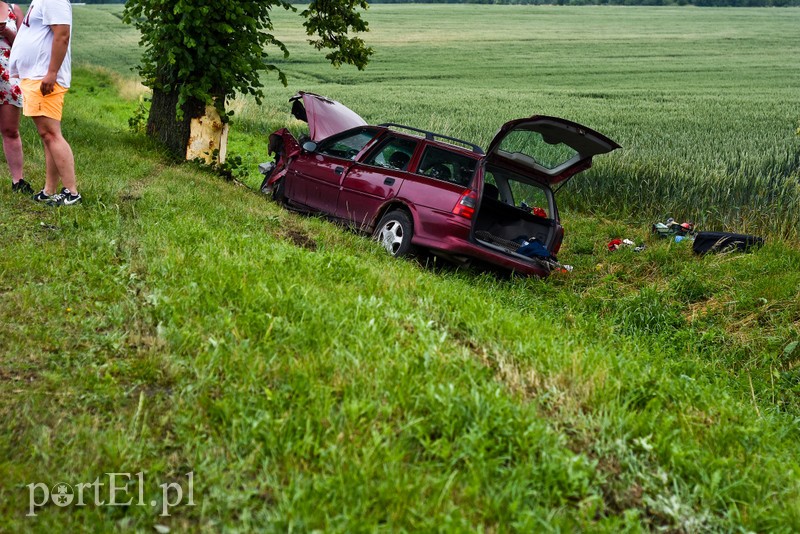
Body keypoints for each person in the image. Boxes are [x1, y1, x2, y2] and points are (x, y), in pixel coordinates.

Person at [9, 0, 79, 206]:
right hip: (36, 76)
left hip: (44, 77)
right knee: (47, 136)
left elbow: (62, 35)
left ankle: (72, 192)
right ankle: (50, 190)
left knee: (51, 134)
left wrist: (51, 73)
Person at [0, 1, 28, 193]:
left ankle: (18, 181)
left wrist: (7, 32)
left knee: (10, 130)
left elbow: (25, 46)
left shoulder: (13, 9)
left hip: (8, 77)